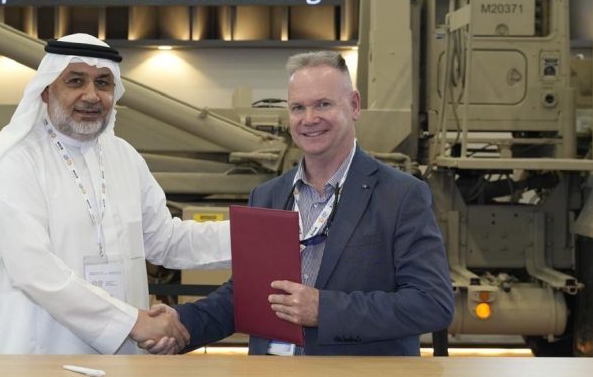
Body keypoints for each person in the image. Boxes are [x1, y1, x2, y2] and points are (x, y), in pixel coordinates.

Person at [163, 50, 454, 356]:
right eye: (298, 107)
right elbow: (248, 295)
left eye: (323, 104)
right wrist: (181, 324)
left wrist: (324, 310)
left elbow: (432, 303)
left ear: (354, 105)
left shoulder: (401, 195)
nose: (309, 119)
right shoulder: (267, 196)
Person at [0, 33, 230, 354]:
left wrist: (254, 238)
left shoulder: (124, 157)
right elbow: (34, 269)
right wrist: (133, 322)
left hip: (120, 354)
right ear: (46, 91)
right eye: (76, 81)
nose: (91, 95)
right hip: (37, 353)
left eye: (103, 83)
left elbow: (165, 240)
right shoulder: (16, 162)